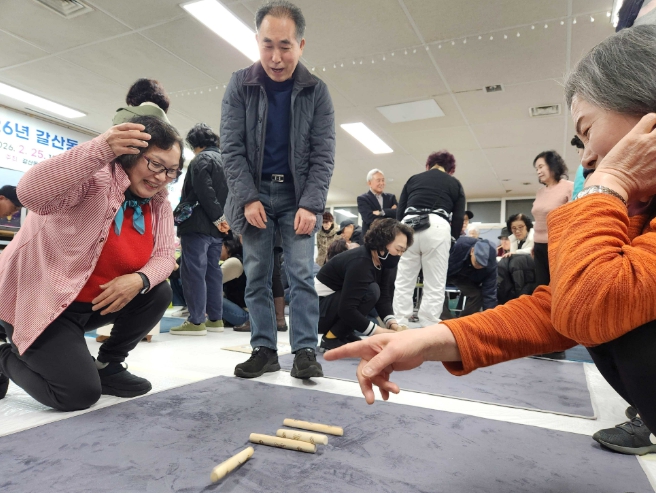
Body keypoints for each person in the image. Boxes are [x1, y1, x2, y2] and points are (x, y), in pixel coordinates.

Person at [326, 25, 656, 457]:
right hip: (441, 235)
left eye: (587, 131)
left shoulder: (607, 189)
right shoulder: (638, 215)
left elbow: (587, 301)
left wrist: (608, 183)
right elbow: (556, 308)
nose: (588, 159)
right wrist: (428, 340)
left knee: (605, 308)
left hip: (430, 230)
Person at [0, 116, 180, 411]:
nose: (161, 177)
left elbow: (164, 257)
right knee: (77, 394)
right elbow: (30, 194)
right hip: (41, 304)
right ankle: (4, 356)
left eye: (171, 171)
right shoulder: (94, 179)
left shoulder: (159, 202)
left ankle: (108, 365)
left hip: (90, 305)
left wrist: (140, 279)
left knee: (158, 291)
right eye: (155, 164)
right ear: (130, 155)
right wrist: (101, 147)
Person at [221, 0, 335, 380]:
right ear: (257, 41)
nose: (275, 57)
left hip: (297, 197)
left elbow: (323, 155)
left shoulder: (317, 91)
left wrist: (311, 204)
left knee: (301, 273)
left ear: (300, 45)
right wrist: (247, 197)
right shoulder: (240, 84)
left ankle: (304, 350)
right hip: (255, 194)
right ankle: (264, 349)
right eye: (267, 45)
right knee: (256, 273)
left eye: (285, 46)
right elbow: (231, 148)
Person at [315, 219, 412, 352]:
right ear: (382, 243)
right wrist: (382, 333)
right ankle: (331, 338)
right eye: (398, 249)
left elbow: (384, 297)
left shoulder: (383, 262)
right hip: (317, 313)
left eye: (403, 251)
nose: (400, 254)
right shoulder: (360, 261)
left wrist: (393, 324)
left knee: (374, 291)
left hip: (330, 308)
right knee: (371, 291)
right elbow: (347, 309)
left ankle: (342, 333)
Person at [394, 150, 466, 326]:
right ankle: (429, 324)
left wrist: (400, 233)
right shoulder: (455, 183)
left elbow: (400, 210)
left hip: (409, 225)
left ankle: (399, 323)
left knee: (404, 279)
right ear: (451, 170)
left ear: (428, 166)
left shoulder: (413, 179)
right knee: (434, 282)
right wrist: (452, 239)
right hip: (437, 226)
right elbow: (458, 217)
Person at [170, 124, 229, 336]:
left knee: (193, 271)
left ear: (194, 144)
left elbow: (204, 191)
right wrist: (222, 220)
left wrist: (217, 217)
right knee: (213, 272)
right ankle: (215, 319)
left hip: (197, 225)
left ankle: (196, 321)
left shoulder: (200, 160)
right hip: (217, 230)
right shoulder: (226, 161)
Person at [531, 151, 573, 287]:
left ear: (552, 165)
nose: (538, 171)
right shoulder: (540, 192)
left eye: (541, 167)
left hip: (558, 244)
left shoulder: (569, 187)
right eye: (536, 169)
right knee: (541, 286)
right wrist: (534, 245)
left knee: (558, 285)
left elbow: (574, 216)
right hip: (539, 245)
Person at [441, 237, 497, 319]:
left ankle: (465, 321)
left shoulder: (491, 266)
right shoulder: (461, 246)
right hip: (447, 272)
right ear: (472, 251)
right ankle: (447, 321)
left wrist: (490, 318)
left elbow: (490, 294)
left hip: (466, 279)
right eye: (477, 262)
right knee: (437, 291)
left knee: (478, 294)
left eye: (482, 265)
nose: (479, 266)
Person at [357, 169, 398, 237]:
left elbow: (398, 213)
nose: (381, 183)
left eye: (383, 180)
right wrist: (390, 215)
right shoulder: (362, 199)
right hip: (370, 237)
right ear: (369, 183)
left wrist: (381, 212)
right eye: (378, 180)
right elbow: (369, 219)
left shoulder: (391, 197)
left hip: (389, 237)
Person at [220, 236, 250, 329]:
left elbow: (210, 282)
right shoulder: (240, 259)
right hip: (244, 312)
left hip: (244, 316)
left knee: (207, 295)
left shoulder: (234, 262)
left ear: (228, 247)